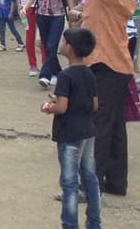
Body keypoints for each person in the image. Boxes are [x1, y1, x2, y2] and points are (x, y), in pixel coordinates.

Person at [79, 0, 136, 196]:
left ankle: (90, 186)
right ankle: (115, 182)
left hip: (105, 64)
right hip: (115, 65)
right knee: (114, 127)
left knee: (99, 126)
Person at [41, 27, 101, 229]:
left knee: (69, 182)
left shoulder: (66, 76)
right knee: (90, 177)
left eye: (64, 42)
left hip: (70, 135)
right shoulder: (89, 73)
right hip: (88, 131)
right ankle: (94, 222)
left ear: (71, 48)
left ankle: (70, 224)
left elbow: (62, 107)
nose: (61, 45)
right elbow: (94, 105)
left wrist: (50, 107)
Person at [28, 0, 77, 87]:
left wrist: (72, 11)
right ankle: (58, 73)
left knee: (51, 45)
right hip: (42, 15)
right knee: (46, 46)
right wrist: (24, 8)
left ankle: (45, 75)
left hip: (58, 14)